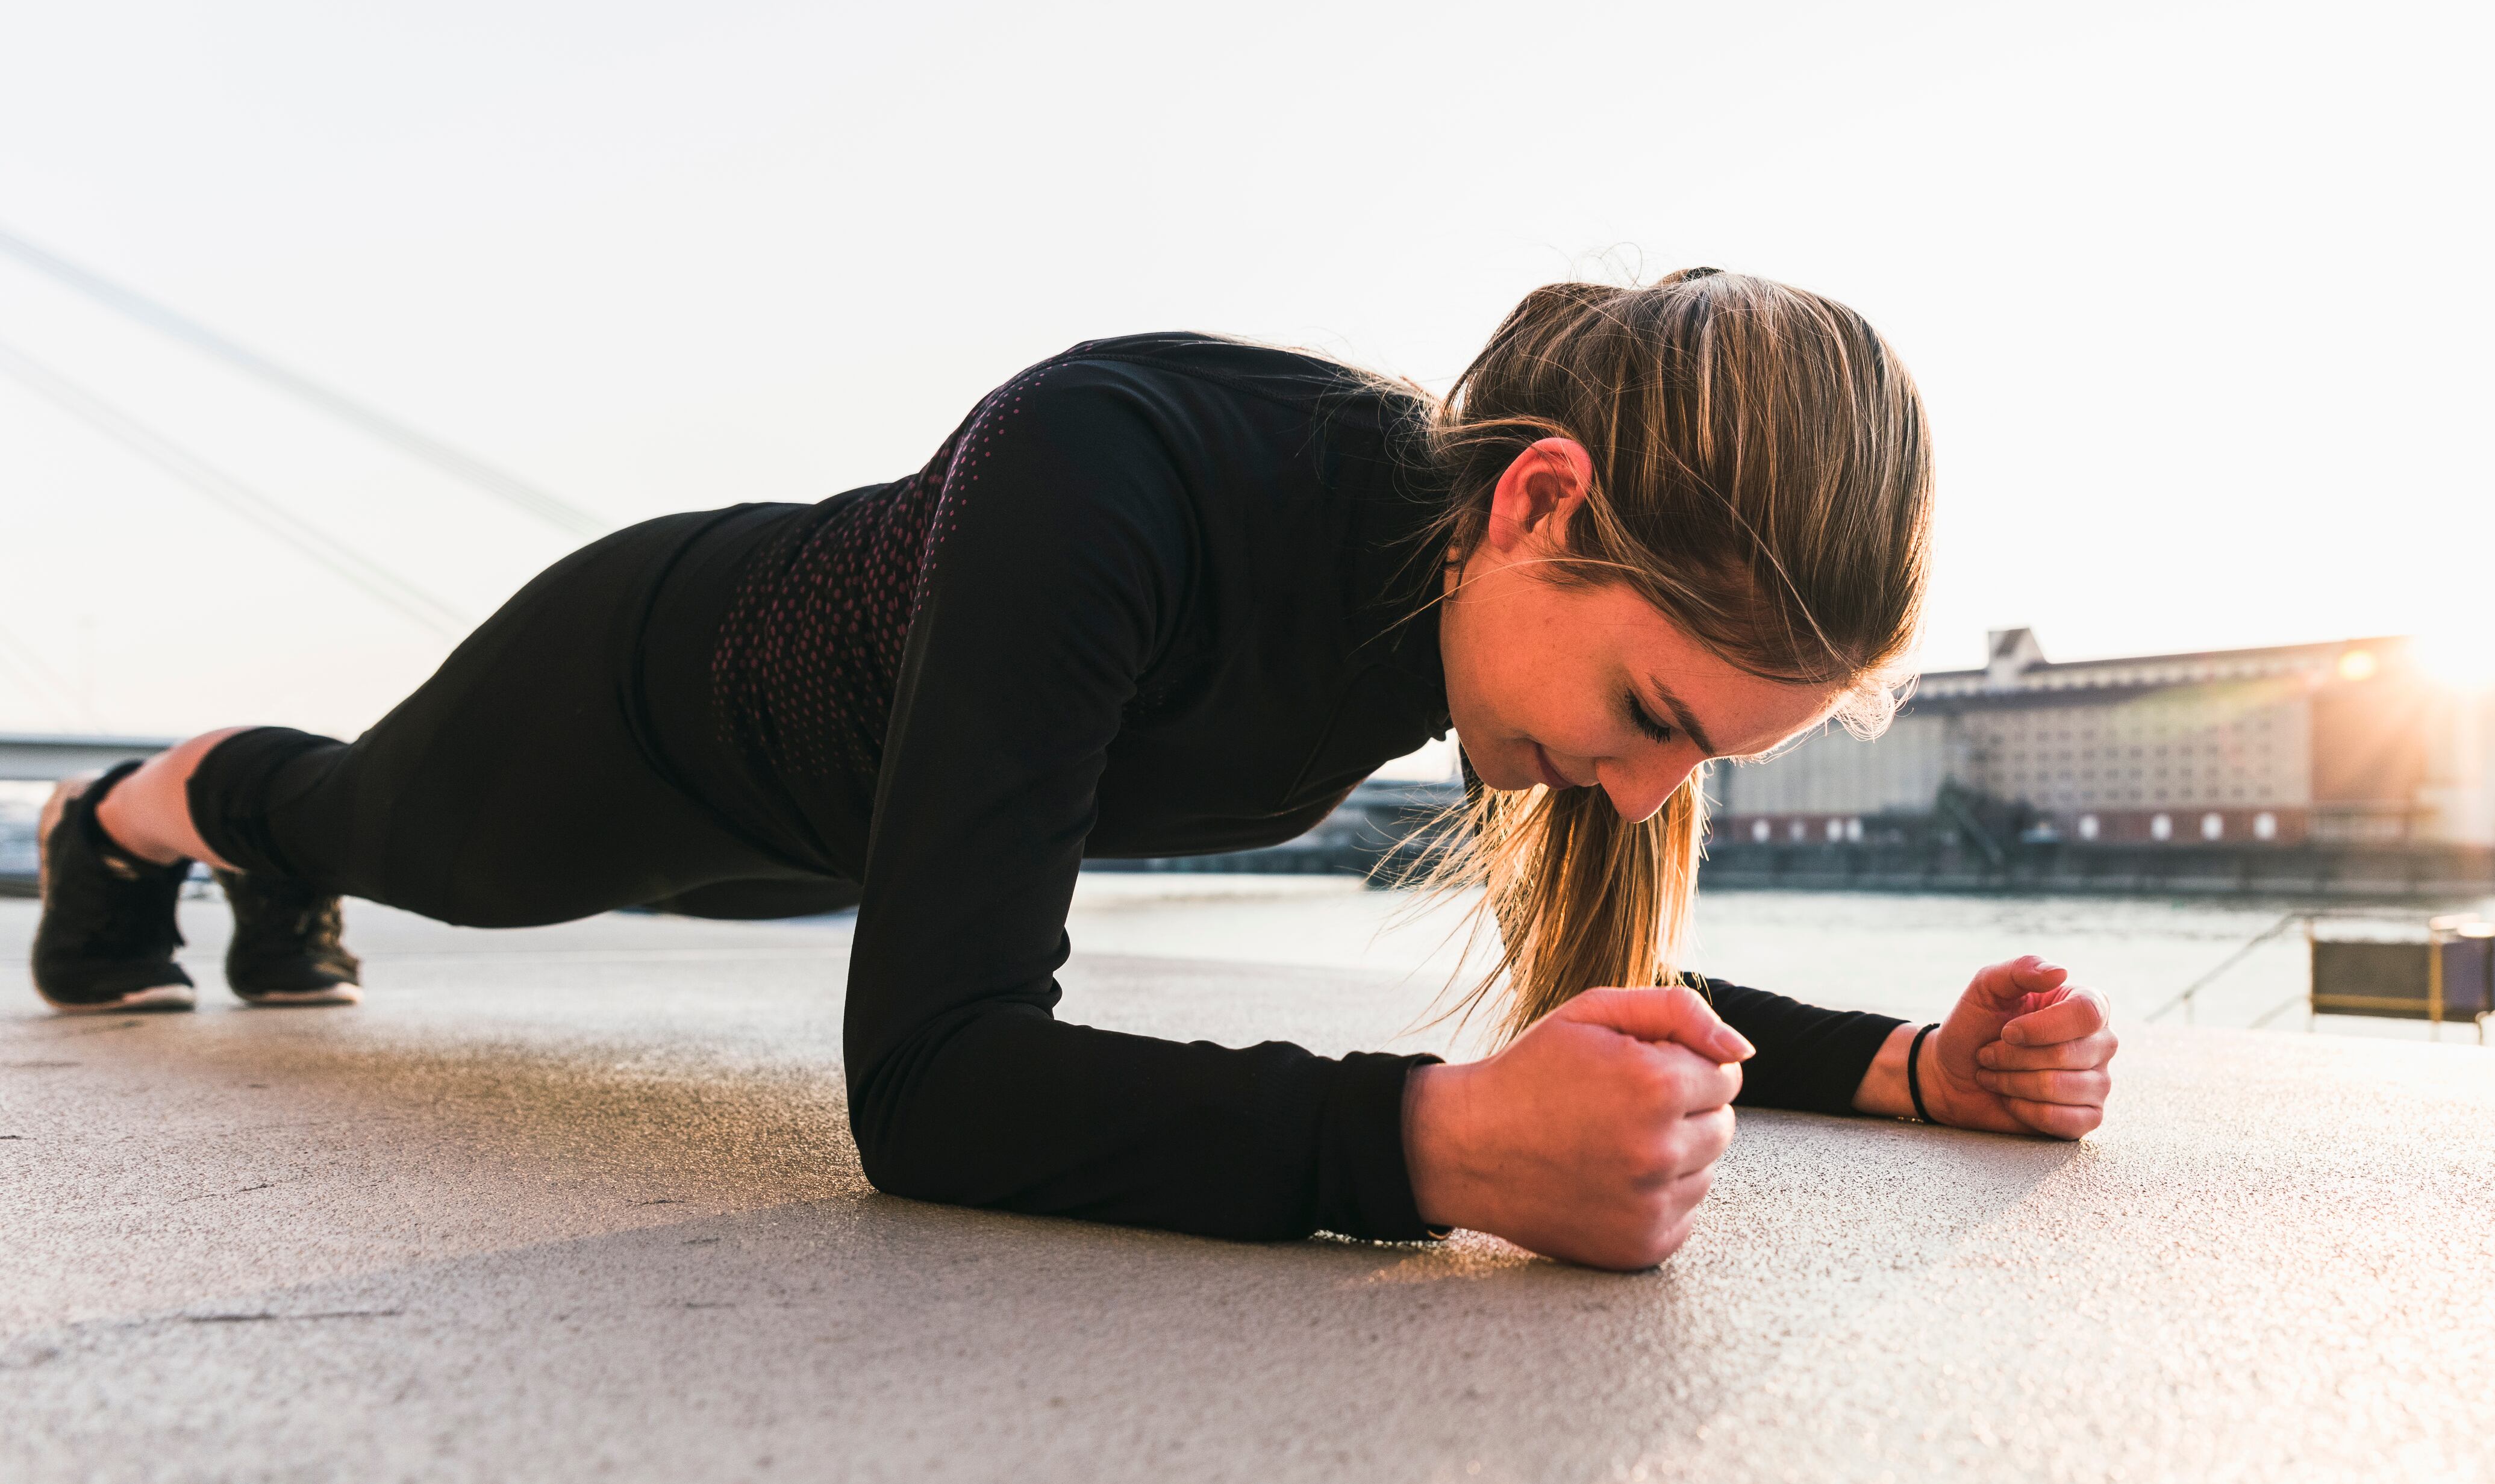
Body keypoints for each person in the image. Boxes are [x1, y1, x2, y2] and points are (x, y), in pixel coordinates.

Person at [27, 270, 2117, 1270]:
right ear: (1544, 504)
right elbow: (929, 1087)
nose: (1646, 795)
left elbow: (1606, 1003)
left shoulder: (1486, 629)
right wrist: (1444, 1153)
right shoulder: (1122, 472)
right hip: (636, 711)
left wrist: (1920, 1064)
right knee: (361, 824)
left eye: (1708, 764)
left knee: (373, 840)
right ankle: (110, 820)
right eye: (1660, 719)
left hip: (834, 836)